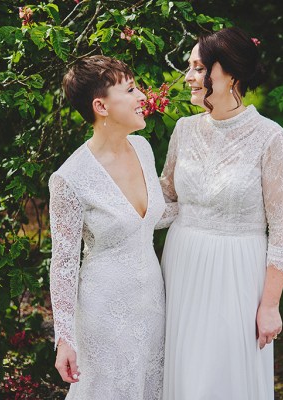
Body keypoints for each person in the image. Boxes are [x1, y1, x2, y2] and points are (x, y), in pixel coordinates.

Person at [159, 27, 283, 399]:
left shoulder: (271, 138)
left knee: (223, 381)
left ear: (230, 73)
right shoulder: (183, 130)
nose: (188, 77)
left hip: (238, 273)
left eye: (198, 68)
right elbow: (167, 200)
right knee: (187, 378)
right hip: (183, 266)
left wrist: (270, 305)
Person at [49, 55, 170, 399]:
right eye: (130, 90)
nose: (143, 97)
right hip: (104, 314)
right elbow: (64, 263)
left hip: (151, 304)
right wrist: (65, 338)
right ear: (101, 106)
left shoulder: (143, 149)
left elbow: (151, 218)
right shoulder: (69, 179)